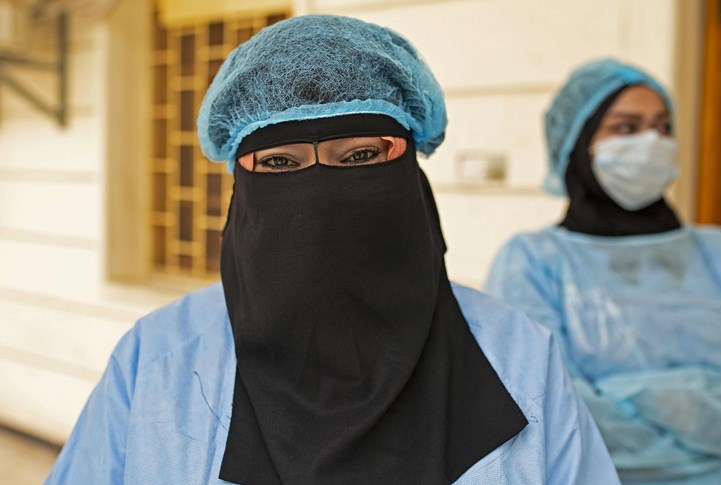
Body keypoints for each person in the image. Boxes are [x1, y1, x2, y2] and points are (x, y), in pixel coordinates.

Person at [45, 15, 618, 485]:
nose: (319, 191)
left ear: (411, 170)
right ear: (241, 187)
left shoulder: (518, 355)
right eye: (278, 163)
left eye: (362, 157)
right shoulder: (158, 358)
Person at [485, 58, 721, 484]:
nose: (650, 142)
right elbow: (552, 416)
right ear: (580, 142)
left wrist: (634, 395)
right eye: (625, 127)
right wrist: (701, 413)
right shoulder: (533, 260)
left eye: (663, 126)